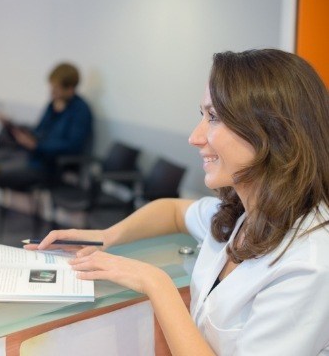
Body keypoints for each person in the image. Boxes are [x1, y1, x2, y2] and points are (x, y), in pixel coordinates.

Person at [27, 49, 329, 354]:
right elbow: (172, 211)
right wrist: (106, 237)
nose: (195, 137)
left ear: (273, 132)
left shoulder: (310, 263)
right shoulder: (242, 214)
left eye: (214, 117)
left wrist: (155, 282)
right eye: (202, 115)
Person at [0, 62, 93, 252]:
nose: (52, 92)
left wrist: (38, 146)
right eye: (52, 87)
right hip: (26, 157)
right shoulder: (52, 106)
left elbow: (73, 146)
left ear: (70, 88)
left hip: (46, 168)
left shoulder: (81, 111)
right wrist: (13, 126)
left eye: (56, 88)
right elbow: (38, 131)